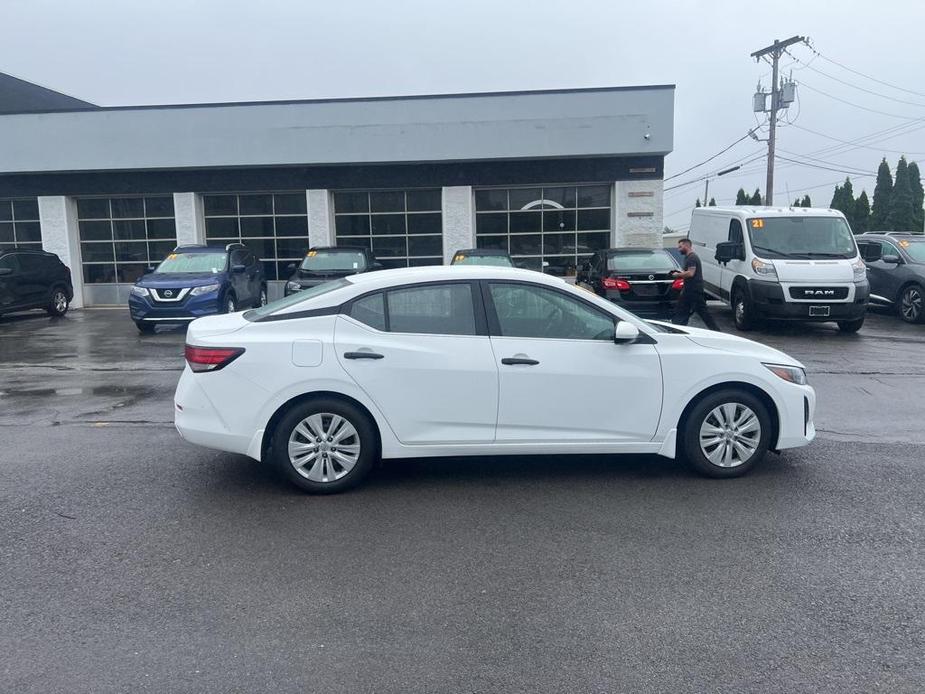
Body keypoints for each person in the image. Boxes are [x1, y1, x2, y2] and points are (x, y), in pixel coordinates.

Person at [671, 238, 720, 331]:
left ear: (686, 246)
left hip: (694, 290)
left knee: (703, 312)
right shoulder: (688, 258)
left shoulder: (692, 258)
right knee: (682, 310)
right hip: (688, 290)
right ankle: (678, 330)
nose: (678, 249)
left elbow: (690, 273)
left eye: (680, 247)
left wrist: (678, 275)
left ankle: (717, 331)